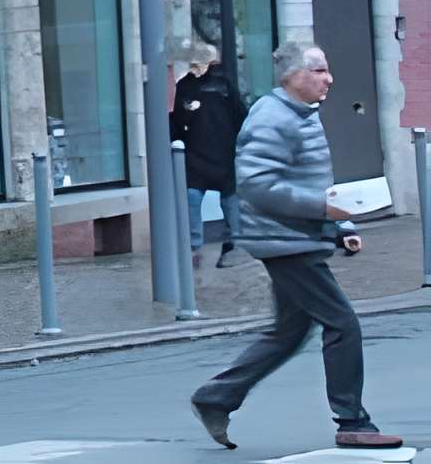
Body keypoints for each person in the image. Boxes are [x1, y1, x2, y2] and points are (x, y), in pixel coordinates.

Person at [189, 42, 400, 451]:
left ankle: (215, 397)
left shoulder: (300, 114)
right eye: (319, 71)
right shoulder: (271, 118)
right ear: (292, 77)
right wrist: (324, 208)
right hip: (284, 240)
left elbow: (311, 184)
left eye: (327, 70)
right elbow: (257, 185)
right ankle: (353, 422)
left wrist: (341, 226)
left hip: (297, 235)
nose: (329, 79)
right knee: (342, 323)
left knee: (289, 331)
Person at [171, 39, 243, 264]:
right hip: (221, 150)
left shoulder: (187, 85)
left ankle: (194, 248)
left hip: (199, 150)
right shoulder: (224, 84)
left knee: (196, 197)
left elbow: (179, 117)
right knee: (228, 197)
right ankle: (234, 244)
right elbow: (240, 114)